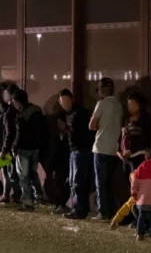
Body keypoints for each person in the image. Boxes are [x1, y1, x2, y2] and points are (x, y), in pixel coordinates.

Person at [89, 77, 124, 221]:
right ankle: (111, 210)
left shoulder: (101, 104)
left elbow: (91, 125)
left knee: (101, 183)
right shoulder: (119, 105)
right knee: (110, 182)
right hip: (114, 148)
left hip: (101, 146)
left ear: (102, 90)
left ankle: (103, 212)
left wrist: (99, 126)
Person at [56, 89, 93, 219]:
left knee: (77, 181)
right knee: (72, 181)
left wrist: (67, 129)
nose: (65, 104)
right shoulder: (66, 114)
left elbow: (83, 133)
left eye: (66, 100)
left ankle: (79, 209)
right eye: (62, 102)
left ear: (72, 99)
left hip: (81, 149)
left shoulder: (80, 112)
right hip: (73, 149)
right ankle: (76, 208)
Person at [12, 88, 44, 211]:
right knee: (33, 173)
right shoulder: (37, 111)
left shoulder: (21, 114)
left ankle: (27, 202)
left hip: (23, 149)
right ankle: (39, 196)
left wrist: (14, 146)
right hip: (36, 148)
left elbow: (20, 133)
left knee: (23, 176)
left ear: (17, 101)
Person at [118, 92, 151, 176]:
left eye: (133, 104)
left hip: (138, 156)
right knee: (129, 182)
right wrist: (118, 151)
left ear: (139, 105)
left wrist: (131, 150)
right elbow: (121, 136)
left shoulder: (144, 118)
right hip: (125, 157)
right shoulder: (126, 119)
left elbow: (145, 139)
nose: (130, 107)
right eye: (129, 104)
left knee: (137, 182)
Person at [0, 83, 22, 203]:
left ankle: (16, 195)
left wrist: (4, 149)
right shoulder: (19, 110)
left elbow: (9, 133)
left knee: (11, 172)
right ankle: (14, 195)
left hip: (11, 147)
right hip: (17, 146)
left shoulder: (10, 112)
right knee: (14, 172)